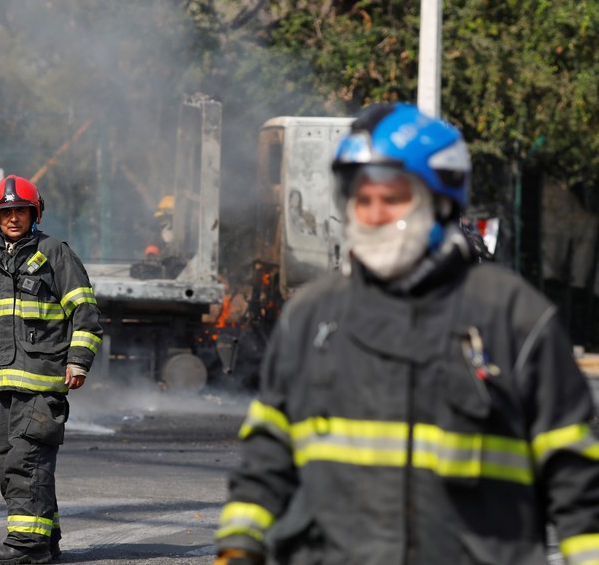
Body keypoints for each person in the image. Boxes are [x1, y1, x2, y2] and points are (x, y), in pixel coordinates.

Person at [214, 103, 599, 565]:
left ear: (440, 201)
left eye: (392, 198)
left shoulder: (514, 318)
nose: (374, 214)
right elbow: (267, 454)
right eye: (362, 199)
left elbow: (576, 480)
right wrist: (239, 546)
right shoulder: (312, 317)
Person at [0, 175, 103, 565]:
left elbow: (85, 310)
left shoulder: (54, 252)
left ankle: (28, 546)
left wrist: (78, 360)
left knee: (25, 461)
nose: (13, 218)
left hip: (41, 379)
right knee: (6, 461)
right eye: (5, 212)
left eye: (21, 211)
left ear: (34, 213)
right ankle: (46, 536)